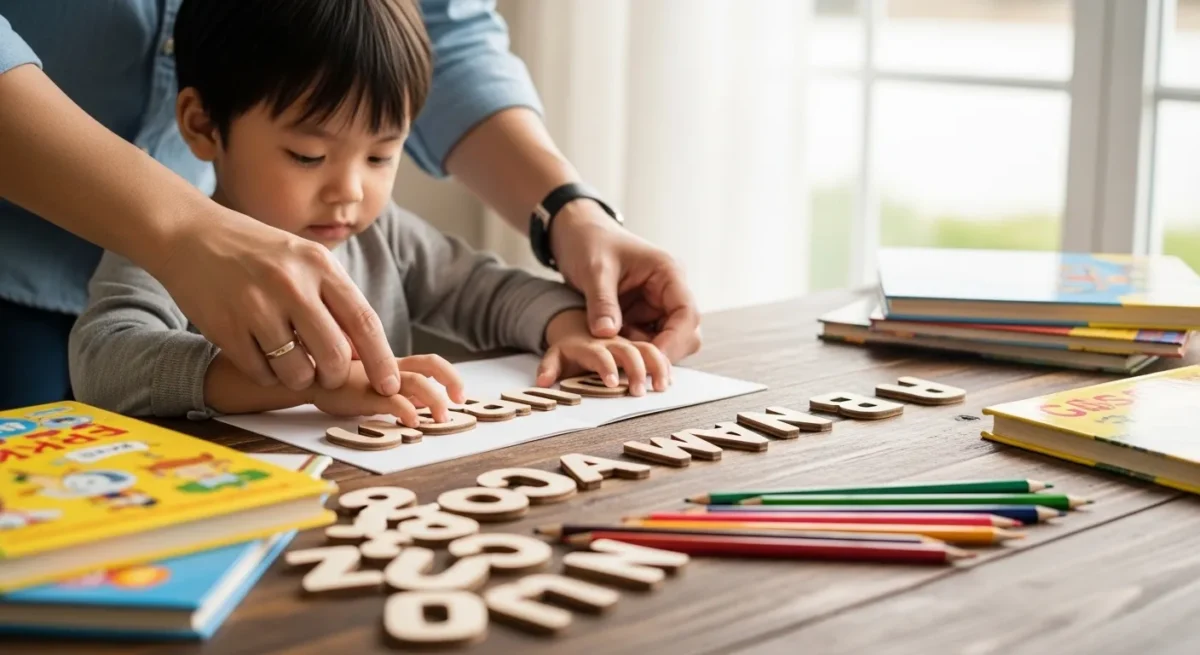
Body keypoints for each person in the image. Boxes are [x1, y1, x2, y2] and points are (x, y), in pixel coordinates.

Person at [0, 1, 701, 411]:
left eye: (379, 156)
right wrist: (274, 383)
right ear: (204, 126)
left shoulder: (380, 234)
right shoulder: (166, 248)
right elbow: (104, 361)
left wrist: (569, 320)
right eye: (308, 156)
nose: (349, 190)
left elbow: (482, 290)